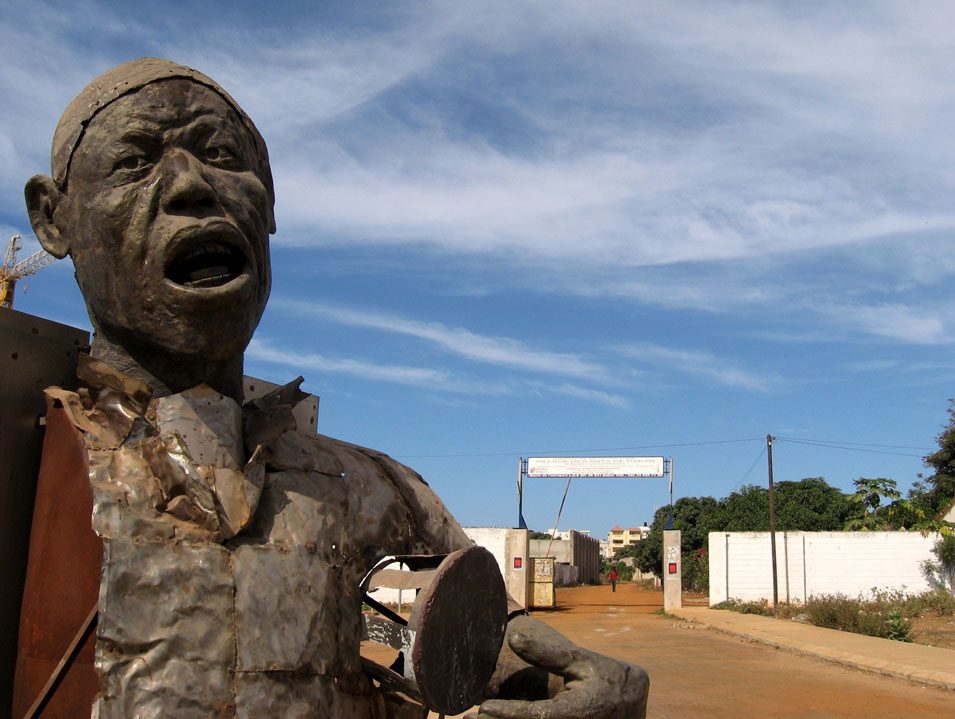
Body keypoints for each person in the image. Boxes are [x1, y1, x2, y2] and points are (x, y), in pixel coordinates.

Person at [25, 58, 649, 718]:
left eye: (220, 154)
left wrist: (576, 693)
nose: (191, 186)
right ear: (54, 218)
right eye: (134, 161)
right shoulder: (34, 457)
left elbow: (426, 652)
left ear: (268, 204)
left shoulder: (371, 495)